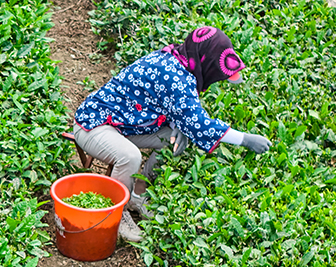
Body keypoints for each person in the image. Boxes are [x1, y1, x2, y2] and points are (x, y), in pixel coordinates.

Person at [73, 27, 272, 242]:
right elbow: (200, 124)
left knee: (175, 140)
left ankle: (137, 195)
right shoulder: (174, 76)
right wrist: (245, 139)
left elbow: (175, 108)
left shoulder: (177, 61)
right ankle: (116, 213)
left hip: (126, 125)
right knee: (130, 156)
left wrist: (177, 121)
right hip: (94, 125)